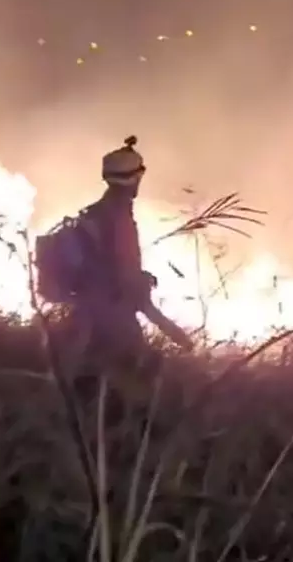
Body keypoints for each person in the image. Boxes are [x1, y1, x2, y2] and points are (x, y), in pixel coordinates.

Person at [40, 137, 189, 393]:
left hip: (86, 312)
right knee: (139, 377)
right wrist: (178, 336)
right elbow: (126, 277)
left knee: (88, 379)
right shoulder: (119, 218)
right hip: (112, 315)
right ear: (136, 178)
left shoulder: (94, 212)